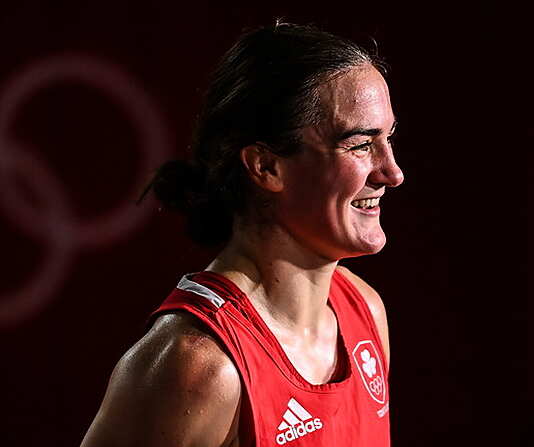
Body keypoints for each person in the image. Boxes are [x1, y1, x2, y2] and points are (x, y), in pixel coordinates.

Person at [80, 22, 403, 447]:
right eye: (360, 145)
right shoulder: (200, 366)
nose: (391, 173)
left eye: (389, 138)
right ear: (266, 167)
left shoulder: (364, 313)